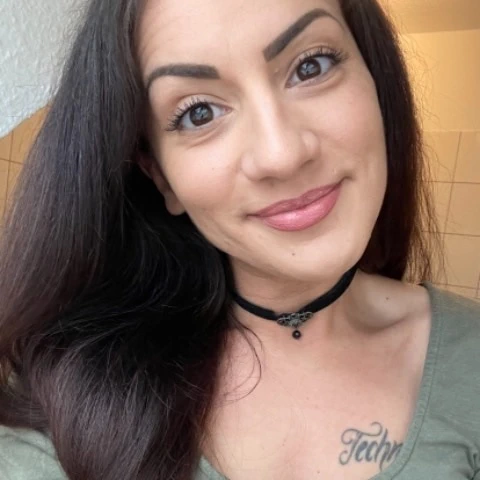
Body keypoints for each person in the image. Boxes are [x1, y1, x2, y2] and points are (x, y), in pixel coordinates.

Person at [0, 0, 479, 479]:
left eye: (311, 66)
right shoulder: (69, 399)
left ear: (375, 78)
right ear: (160, 175)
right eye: (199, 113)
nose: (281, 155)